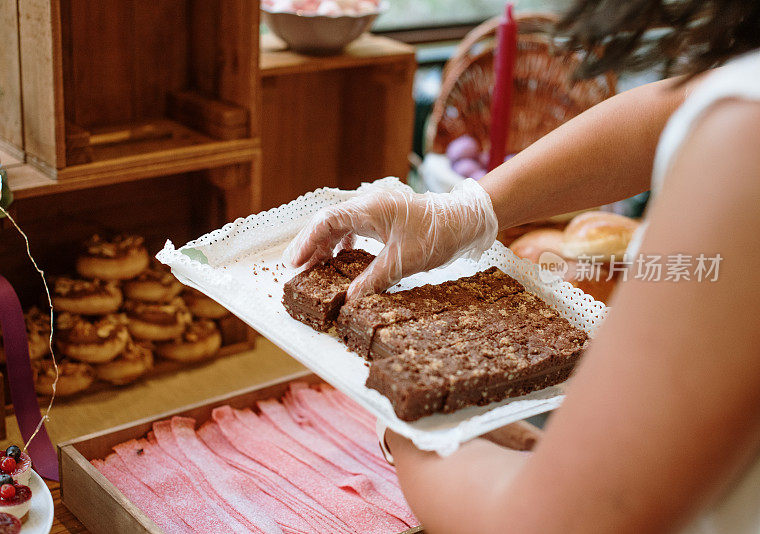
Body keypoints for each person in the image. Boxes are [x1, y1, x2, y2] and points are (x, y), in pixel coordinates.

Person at [283, 0, 760, 531]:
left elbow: (549, 525)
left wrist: (407, 424)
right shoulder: (740, 109)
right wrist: (468, 210)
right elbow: (684, 105)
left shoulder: (746, 143)